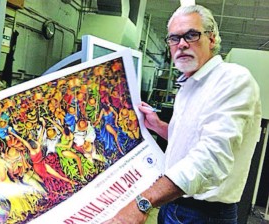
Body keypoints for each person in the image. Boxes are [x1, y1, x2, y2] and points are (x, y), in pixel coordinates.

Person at [103, 4, 262, 224]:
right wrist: (158, 125)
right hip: (172, 202)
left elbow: (211, 158)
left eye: (191, 35)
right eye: (174, 38)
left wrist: (142, 202)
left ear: (212, 39)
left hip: (205, 215)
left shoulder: (233, 80)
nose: (182, 44)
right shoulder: (189, 84)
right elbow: (190, 141)